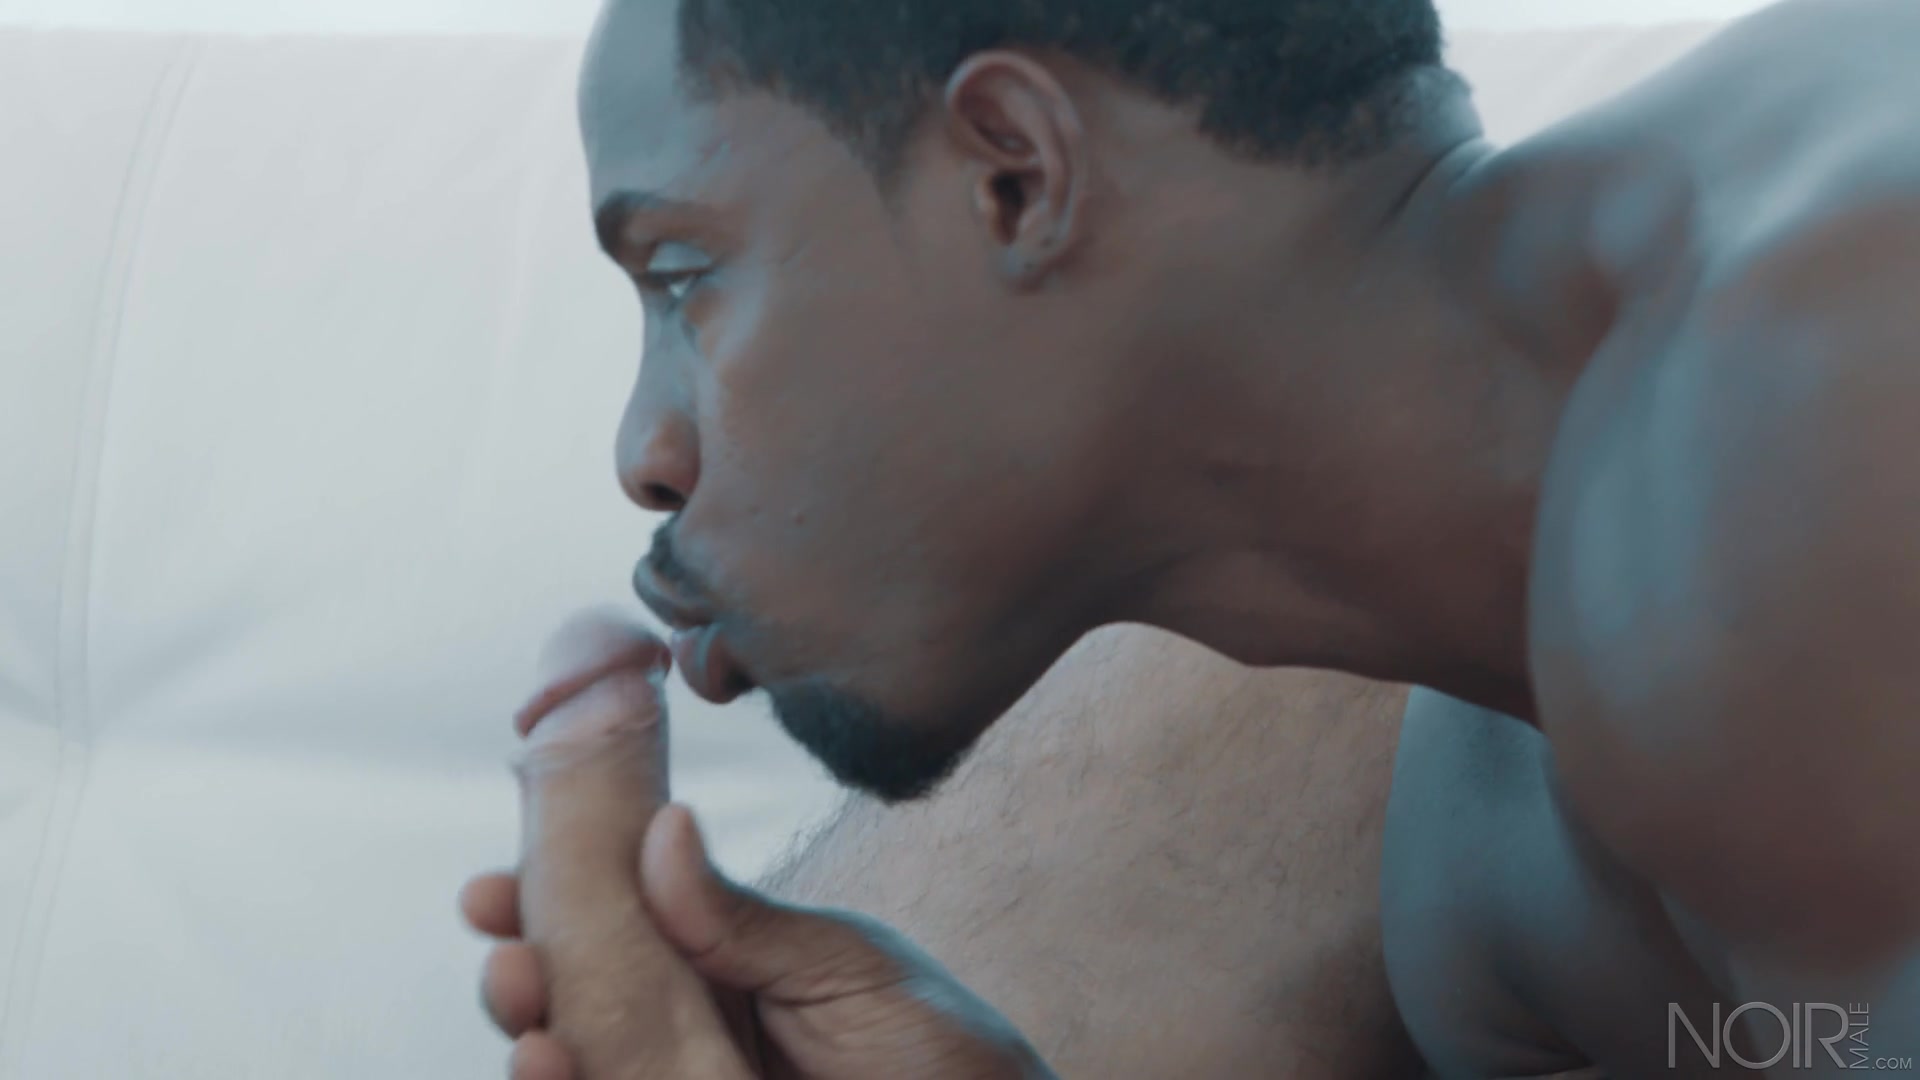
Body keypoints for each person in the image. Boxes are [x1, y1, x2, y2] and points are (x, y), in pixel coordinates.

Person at [462, 0, 1920, 1073]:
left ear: (1013, 175)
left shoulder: (1804, 431)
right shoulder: (1481, 850)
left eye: (684, 275)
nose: (643, 454)